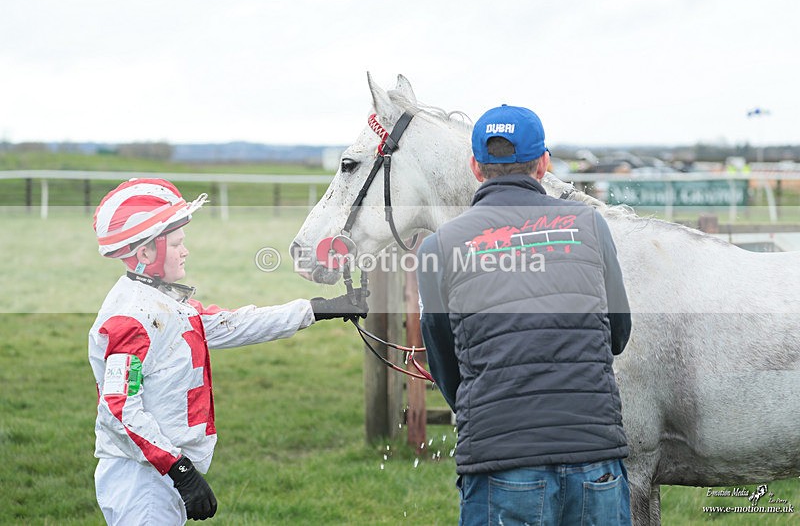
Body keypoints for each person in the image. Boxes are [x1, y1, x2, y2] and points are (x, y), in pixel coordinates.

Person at [88, 178, 367, 525]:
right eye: (176, 244)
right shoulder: (130, 317)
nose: (185, 250)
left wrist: (316, 309)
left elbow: (233, 324)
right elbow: (118, 411)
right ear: (145, 253)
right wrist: (181, 470)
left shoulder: (165, 301)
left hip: (157, 472)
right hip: (142, 480)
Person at [416, 105, 632, 525]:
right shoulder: (589, 224)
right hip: (595, 452)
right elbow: (618, 334)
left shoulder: (438, 248)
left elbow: (445, 362)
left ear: (476, 167)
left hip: (501, 457)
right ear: (544, 164)